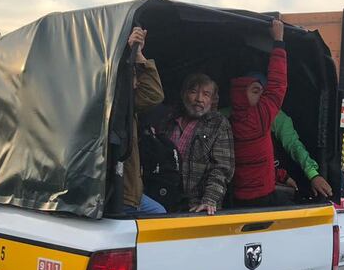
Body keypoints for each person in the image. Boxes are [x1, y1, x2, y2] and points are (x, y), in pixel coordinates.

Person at [229, 19, 288, 207]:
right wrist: (278, 42)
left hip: (237, 196)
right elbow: (277, 84)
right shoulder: (259, 118)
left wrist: (282, 175)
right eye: (255, 90)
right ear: (241, 93)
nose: (262, 95)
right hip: (262, 195)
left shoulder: (227, 121)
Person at [163, 72, 235, 215]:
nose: (199, 99)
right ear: (184, 94)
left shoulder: (218, 124)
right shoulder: (169, 120)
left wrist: (209, 200)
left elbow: (222, 168)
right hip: (165, 200)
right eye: (193, 92)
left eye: (206, 94)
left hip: (197, 206)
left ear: (212, 100)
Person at [123, 28, 167, 215]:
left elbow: (153, 95)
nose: (138, 82)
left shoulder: (128, 106)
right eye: (135, 76)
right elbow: (152, 95)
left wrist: (138, 54)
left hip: (131, 192)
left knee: (159, 213)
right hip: (119, 193)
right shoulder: (116, 106)